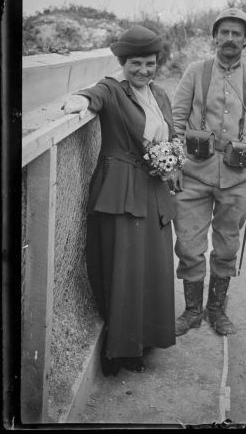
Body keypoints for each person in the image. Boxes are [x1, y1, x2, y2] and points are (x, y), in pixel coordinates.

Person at [62, 25, 177, 376]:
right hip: (122, 191)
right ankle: (121, 351)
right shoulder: (113, 89)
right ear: (123, 63)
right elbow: (92, 95)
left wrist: (173, 160)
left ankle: (146, 339)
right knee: (125, 268)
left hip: (153, 190)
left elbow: (170, 134)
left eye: (150, 63)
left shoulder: (160, 96)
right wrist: (79, 101)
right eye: (136, 64)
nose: (144, 71)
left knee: (153, 266)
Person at [171, 8, 246, 336]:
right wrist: (174, 164)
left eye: (237, 34)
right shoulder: (195, 71)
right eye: (224, 32)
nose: (230, 39)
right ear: (215, 37)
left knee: (228, 246)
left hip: (238, 177)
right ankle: (191, 312)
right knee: (188, 244)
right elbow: (176, 120)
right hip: (194, 173)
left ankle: (216, 309)